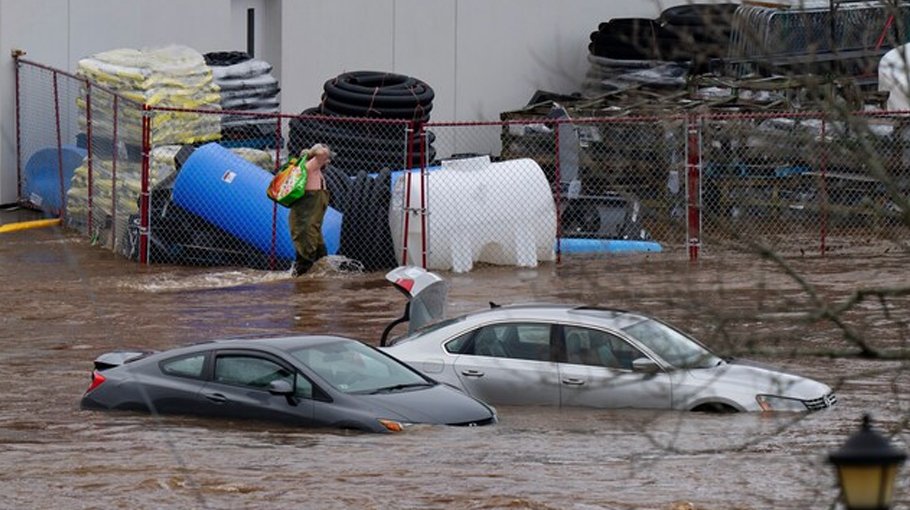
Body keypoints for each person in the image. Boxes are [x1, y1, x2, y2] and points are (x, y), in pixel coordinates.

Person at [289, 143, 334, 276]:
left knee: (321, 256)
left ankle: (312, 281)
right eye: (327, 159)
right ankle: (300, 282)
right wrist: (313, 152)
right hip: (305, 224)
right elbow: (322, 153)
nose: (328, 161)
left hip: (313, 226)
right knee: (305, 259)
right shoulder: (310, 167)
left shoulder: (315, 170)